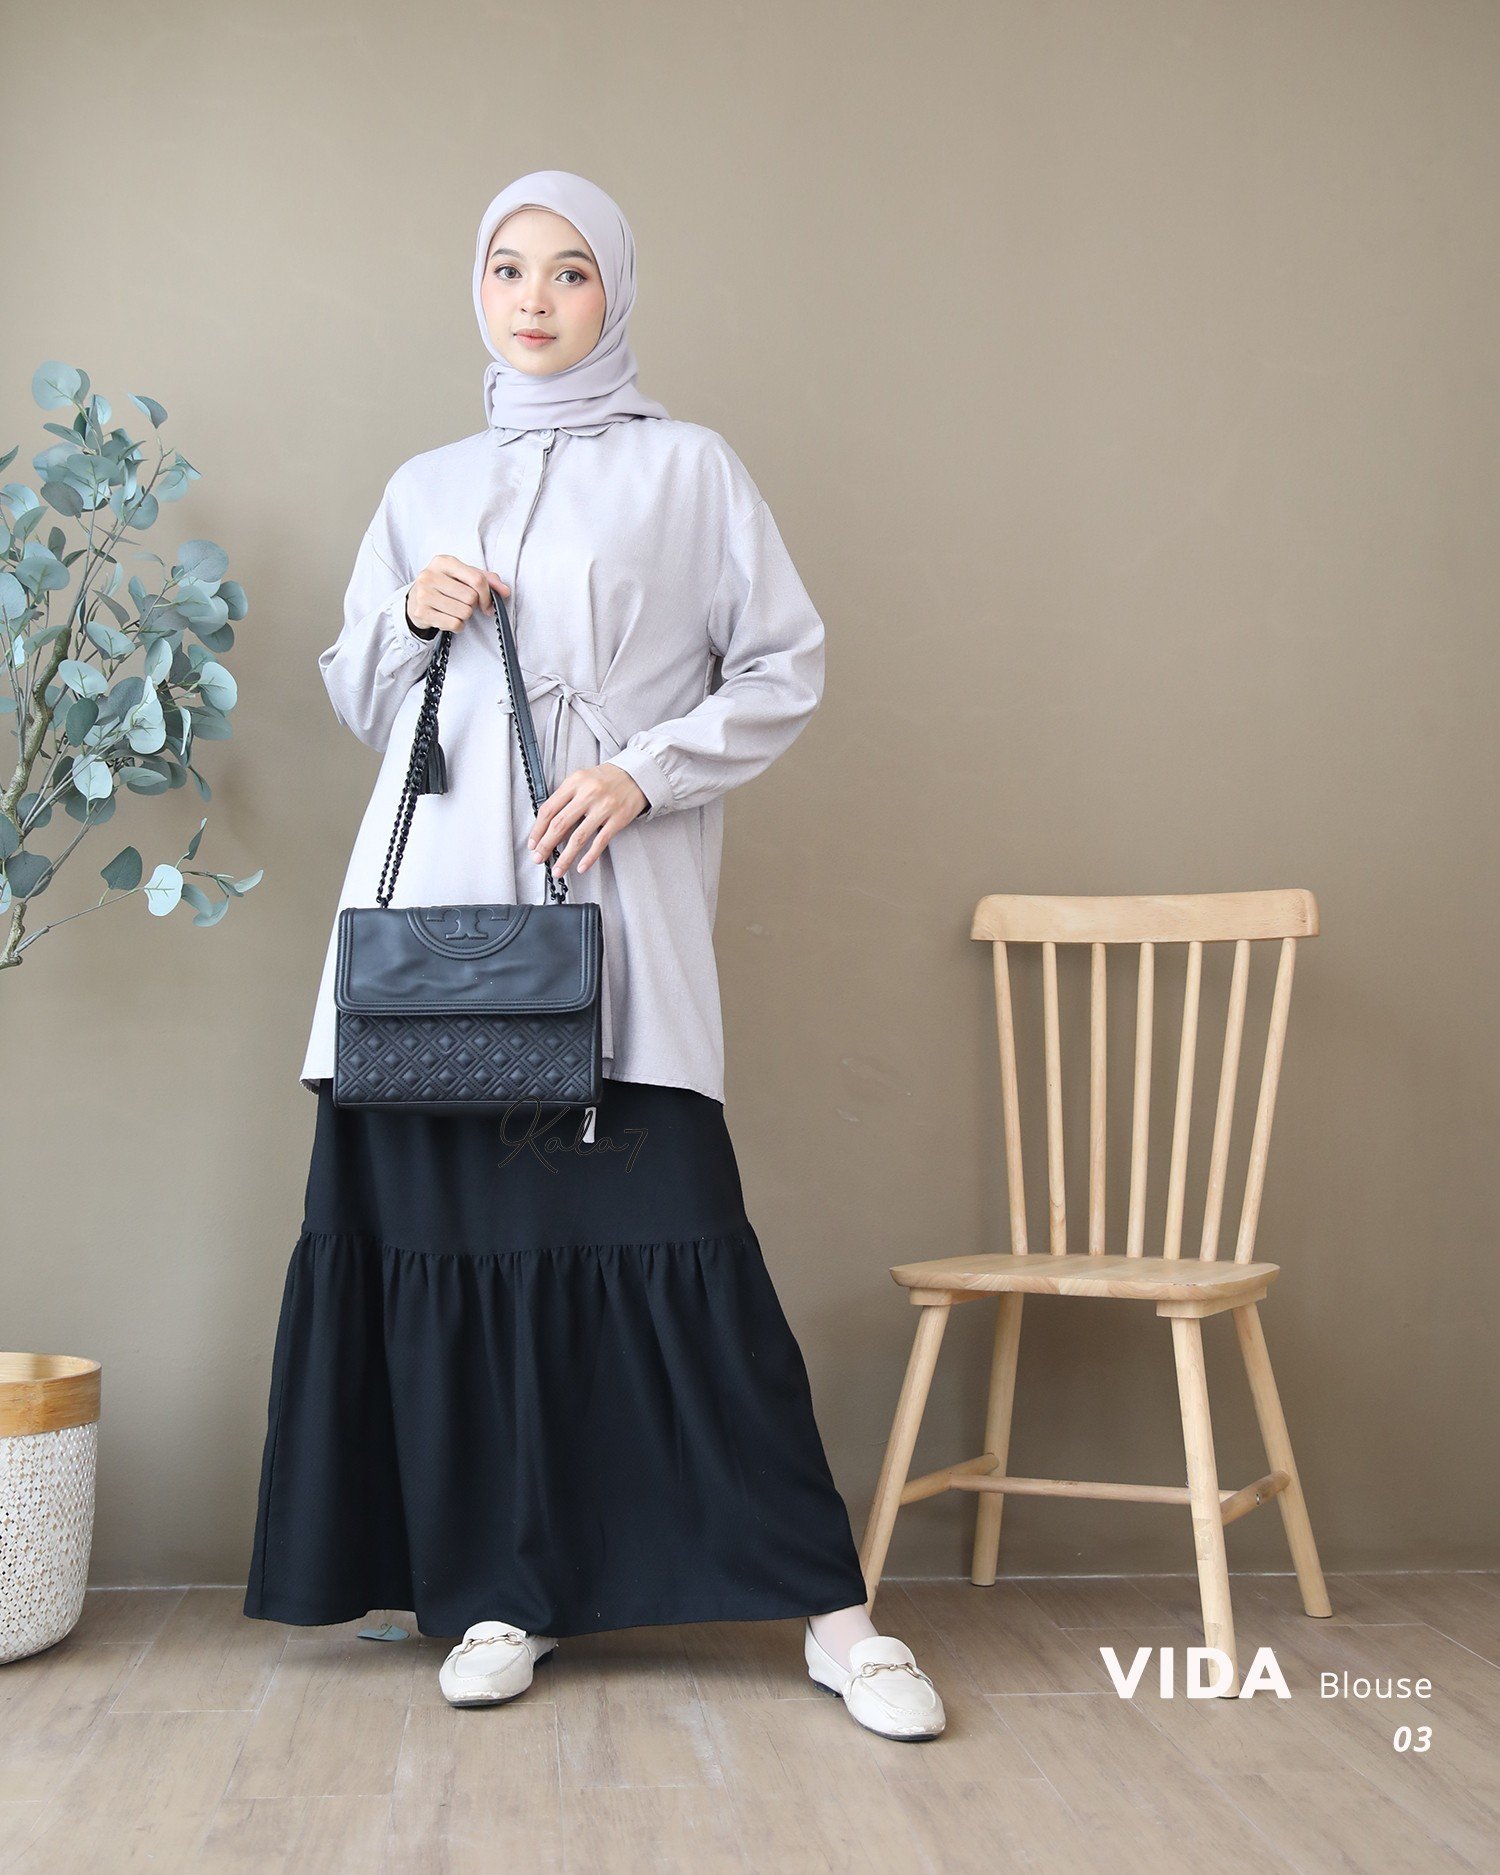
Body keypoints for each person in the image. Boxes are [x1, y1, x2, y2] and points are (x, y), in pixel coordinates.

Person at [242, 169, 945, 1742]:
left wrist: (646, 770)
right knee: (466, 1255)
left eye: (569, 271)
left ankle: (835, 1621)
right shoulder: (425, 484)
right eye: (508, 268)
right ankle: (504, 1591)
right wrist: (410, 618)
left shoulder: (689, 470)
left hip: (610, 911)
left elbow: (784, 664)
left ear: (614, 292)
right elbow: (361, 696)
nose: (536, 299)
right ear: (477, 289)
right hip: (436, 931)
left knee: (672, 1240)